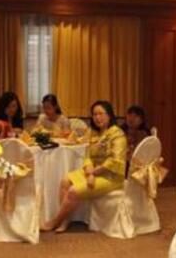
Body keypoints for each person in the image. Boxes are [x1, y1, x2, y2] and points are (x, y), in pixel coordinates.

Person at [40, 100, 127, 233]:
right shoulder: (94, 132)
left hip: (111, 176)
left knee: (73, 191)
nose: (97, 118)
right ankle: (65, 220)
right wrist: (90, 172)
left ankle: (55, 221)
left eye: (101, 114)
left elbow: (115, 161)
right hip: (93, 171)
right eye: (95, 114)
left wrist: (94, 173)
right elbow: (87, 156)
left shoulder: (117, 134)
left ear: (109, 115)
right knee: (65, 181)